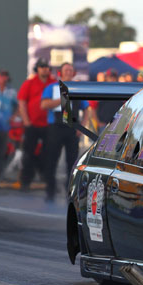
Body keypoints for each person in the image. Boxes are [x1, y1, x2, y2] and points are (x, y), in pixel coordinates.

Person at [40, 62, 93, 202]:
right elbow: (44, 104)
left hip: (72, 128)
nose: (69, 72)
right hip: (55, 127)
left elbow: (86, 109)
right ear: (61, 72)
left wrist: (82, 126)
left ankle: (70, 192)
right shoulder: (52, 88)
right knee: (51, 160)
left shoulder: (78, 89)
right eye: (66, 70)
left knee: (72, 161)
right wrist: (63, 98)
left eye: (71, 70)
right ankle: (50, 192)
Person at [18, 58, 56, 191]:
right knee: (28, 153)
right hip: (32, 124)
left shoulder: (54, 83)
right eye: (42, 66)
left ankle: (47, 180)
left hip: (49, 124)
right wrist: (26, 120)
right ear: (37, 69)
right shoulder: (29, 83)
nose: (44, 69)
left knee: (49, 153)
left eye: (46, 67)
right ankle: (25, 182)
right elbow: (22, 102)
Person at [0, 69, 18, 182]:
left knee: (2, 152)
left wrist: (13, 116)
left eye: (6, 75)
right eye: (2, 75)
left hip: (5, 126)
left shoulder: (11, 92)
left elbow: (18, 105)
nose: (4, 78)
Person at [94, 68, 124, 133]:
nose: (112, 79)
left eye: (114, 77)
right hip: (104, 125)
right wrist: (98, 122)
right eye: (110, 77)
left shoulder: (121, 90)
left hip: (117, 125)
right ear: (106, 77)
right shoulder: (100, 90)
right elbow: (93, 108)